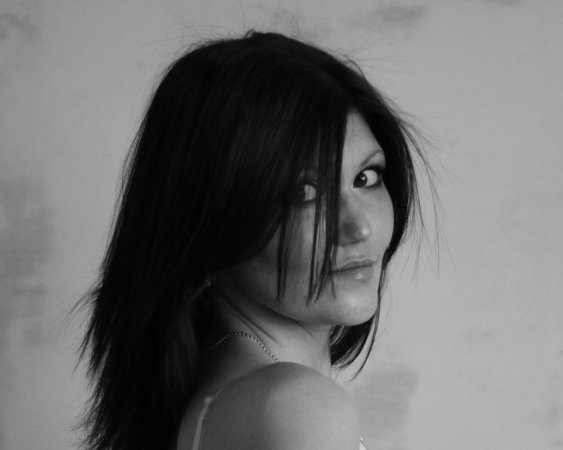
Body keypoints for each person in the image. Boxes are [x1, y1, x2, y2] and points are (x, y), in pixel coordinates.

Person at [75, 30, 431, 450]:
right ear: (209, 220)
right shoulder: (298, 407)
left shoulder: (221, 394)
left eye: (365, 178)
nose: (360, 229)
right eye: (303, 193)